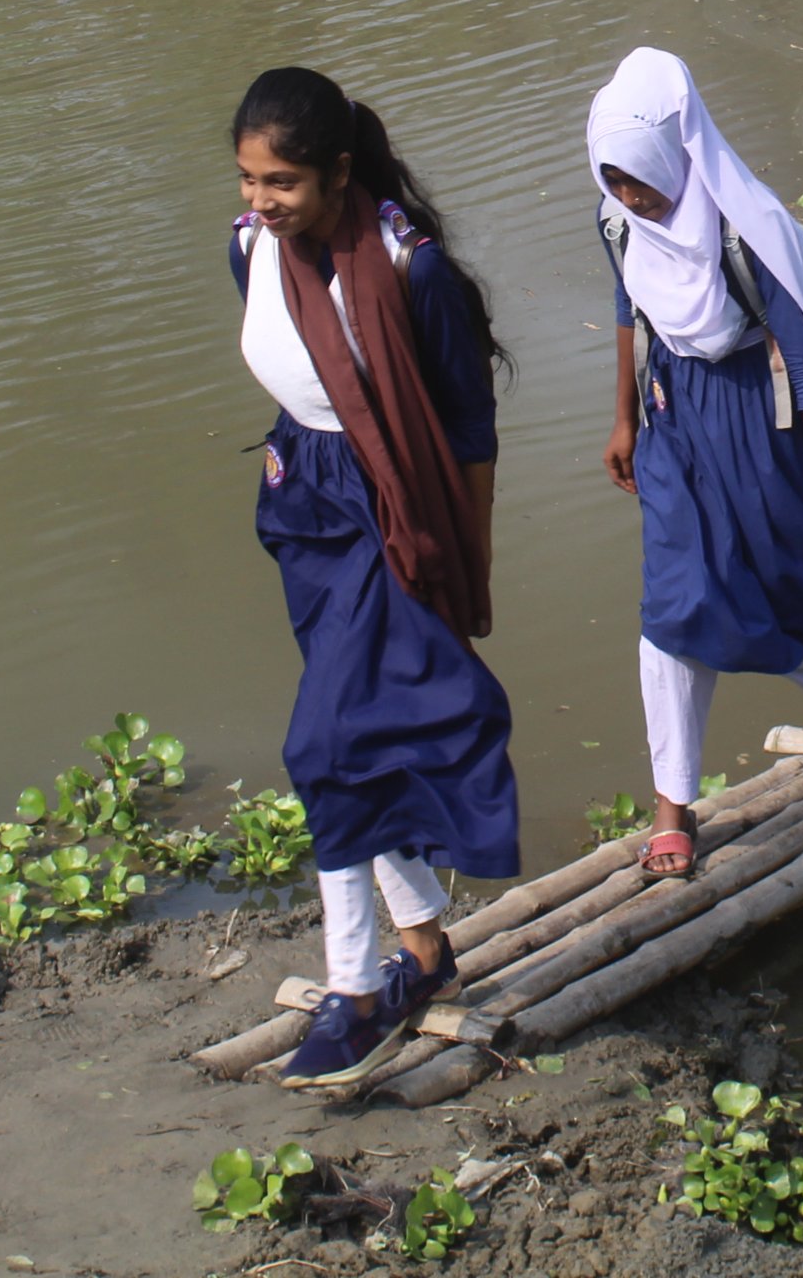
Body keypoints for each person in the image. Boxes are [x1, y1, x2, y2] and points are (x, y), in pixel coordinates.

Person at [225, 68, 518, 1090]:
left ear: (340, 173)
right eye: (249, 180)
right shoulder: (248, 247)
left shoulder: (410, 269)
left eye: (283, 183)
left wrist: (469, 557)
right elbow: (301, 377)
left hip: (397, 510)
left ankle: (355, 990)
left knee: (325, 744)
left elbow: (470, 429)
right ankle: (426, 949)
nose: (262, 201)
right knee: (356, 733)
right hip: (308, 506)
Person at [592, 48, 803, 880]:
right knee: (675, 604)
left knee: (774, 590)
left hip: (760, 418)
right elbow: (627, 304)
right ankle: (673, 803)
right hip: (672, 418)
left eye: (640, 179)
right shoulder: (619, 222)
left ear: (675, 154)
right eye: (613, 179)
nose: (630, 197)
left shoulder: (743, 231)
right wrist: (622, 418)